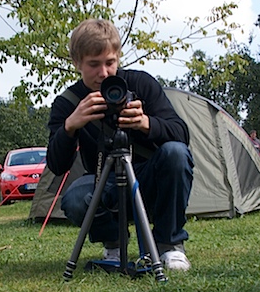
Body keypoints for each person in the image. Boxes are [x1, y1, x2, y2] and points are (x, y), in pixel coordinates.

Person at [47, 19, 194, 271]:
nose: (103, 73)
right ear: (77, 63)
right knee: (74, 198)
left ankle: (169, 245)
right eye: (93, 65)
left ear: (118, 58)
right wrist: (70, 126)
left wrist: (146, 123)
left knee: (176, 153)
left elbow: (181, 134)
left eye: (109, 63)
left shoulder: (141, 85)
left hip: (149, 180)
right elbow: (56, 165)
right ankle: (114, 245)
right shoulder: (68, 102)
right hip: (104, 184)